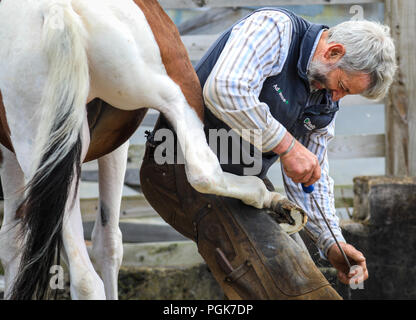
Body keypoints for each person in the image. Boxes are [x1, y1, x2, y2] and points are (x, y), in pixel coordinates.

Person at [140, 7, 396, 299]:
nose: (336, 97)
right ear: (333, 52)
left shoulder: (324, 97)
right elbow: (225, 89)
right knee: (291, 288)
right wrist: (287, 146)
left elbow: (312, 174)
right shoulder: (275, 29)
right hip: (182, 166)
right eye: (341, 87)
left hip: (244, 183)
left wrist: (331, 241)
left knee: (302, 275)